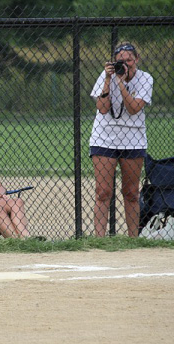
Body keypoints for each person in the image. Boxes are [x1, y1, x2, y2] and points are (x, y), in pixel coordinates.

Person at [90, 42, 153, 237]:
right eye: (120, 61)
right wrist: (109, 79)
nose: (125, 65)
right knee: (103, 192)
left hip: (133, 139)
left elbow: (134, 108)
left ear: (136, 59)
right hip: (104, 138)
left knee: (132, 193)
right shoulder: (107, 76)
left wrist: (121, 83)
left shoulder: (145, 79)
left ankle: (133, 239)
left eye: (129, 61)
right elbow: (102, 108)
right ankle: (99, 239)